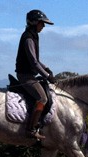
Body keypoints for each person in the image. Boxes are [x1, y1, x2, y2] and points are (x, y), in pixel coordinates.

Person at [15, 9, 56, 140]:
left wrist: (47, 68)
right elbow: (33, 62)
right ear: (34, 23)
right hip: (25, 76)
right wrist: (47, 76)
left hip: (30, 74)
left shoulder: (34, 36)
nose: (43, 26)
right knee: (42, 98)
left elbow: (37, 61)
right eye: (41, 23)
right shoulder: (28, 37)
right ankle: (30, 130)